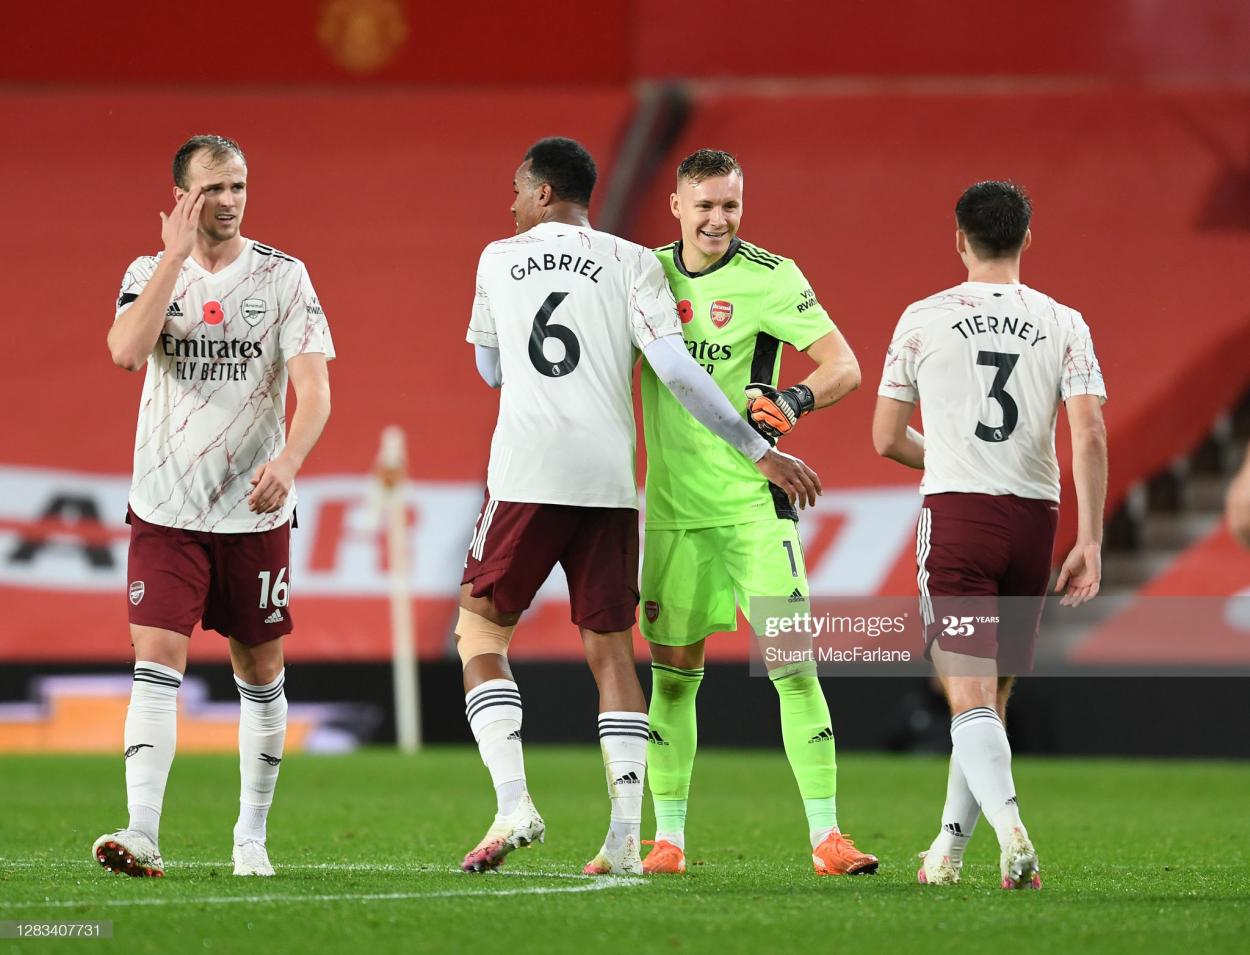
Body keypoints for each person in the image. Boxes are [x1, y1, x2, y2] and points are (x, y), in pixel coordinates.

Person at [459, 137, 821, 876]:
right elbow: (678, 371)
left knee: (479, 635)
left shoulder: (498, 257)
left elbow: (490, 366)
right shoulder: (634, 262)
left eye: (517, 190)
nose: (511, 203)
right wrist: (761, 450)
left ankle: (513, 801)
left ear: (541, 193)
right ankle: (627, 834)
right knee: (613, 651)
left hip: (526, 472)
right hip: (609, 481)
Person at [93, 135, 334, 879]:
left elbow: (316, 390)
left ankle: (250, 837)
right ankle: (141, 830)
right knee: (155, 656)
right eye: (213, 189)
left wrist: (287, 464)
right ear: (181, 197)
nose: (229, 201)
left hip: (252, 513)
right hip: (166, 506)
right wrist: (171, 257)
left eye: (239, 186)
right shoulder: (146, 272)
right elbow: (127, 352)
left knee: (260, 669)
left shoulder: (284, 276)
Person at [638, 148, 878, 877]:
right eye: (705, 204)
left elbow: (844, 365)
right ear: (676, 204)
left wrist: (797, 399)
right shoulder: (645, 275)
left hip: (753, 507)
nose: (718, 219)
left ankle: (828, 838)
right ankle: (667, 840)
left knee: (794, 667)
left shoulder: (773, 277)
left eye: (731, 205)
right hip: (675, 513)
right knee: (673, 677)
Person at [873, 180, 1107, 889]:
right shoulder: (1064, 321)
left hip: (960, 517)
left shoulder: (923, 318)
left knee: (965, 694)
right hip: (1035, 519)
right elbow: (1090, 432)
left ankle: (1012, 832)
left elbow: (885, 438)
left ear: (959, 240)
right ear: (1026, 238)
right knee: (992, 697)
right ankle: (947, 851)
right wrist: (1090, 538)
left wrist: (943, 455)